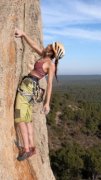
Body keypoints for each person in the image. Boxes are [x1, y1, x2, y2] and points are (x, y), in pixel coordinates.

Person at [14, 28, 65, 161]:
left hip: (28, 88)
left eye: (50, 45)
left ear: (52, 51)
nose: (48, 45)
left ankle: (26, 150)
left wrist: (47, 103)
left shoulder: (50, 65)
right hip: (31, 88)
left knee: (20, 119)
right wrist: (24, 34)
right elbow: (34, 45)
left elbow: (49, 85)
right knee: (27, 119)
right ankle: (31, 146)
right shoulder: (44, 56)